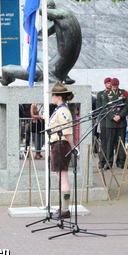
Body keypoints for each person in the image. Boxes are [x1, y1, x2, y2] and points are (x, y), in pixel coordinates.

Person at [48, 82, 77, 220]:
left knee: (63, 178)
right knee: (60, 178)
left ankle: (65, 209)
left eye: (53, 95)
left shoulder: (63, 111)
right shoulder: (59, 110)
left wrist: (73, 147)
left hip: (61, 145)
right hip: (57, 145)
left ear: (58, 96)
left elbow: (67, 132)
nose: (51, 98)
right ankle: (62, 207)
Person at [104, 78, 128, 169]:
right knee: (110, 143)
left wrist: (120, 116)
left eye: (116, 86)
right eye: (113, 86)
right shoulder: (106, 94)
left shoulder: (123, 93)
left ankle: (121, 161)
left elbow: (126, 106)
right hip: (111, 122)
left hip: (121, 122)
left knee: (121, 143)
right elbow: (105, 108)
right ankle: (109, 162)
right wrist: (113, 116)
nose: (115, 87)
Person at [96, 77, 112, 168]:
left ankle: (108, 161)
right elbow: (99, 107)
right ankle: (102, 161)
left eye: (110, 83)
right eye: (108, 83)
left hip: (111, 121)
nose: (109, 84)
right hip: (103, 120)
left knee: (110, 142)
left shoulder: (114, 94)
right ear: (105, 84)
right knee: (103, 142)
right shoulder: (101, 94)